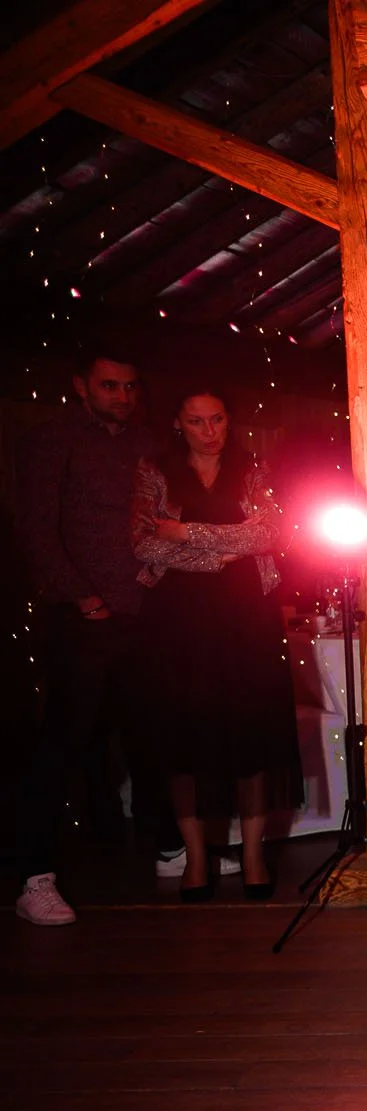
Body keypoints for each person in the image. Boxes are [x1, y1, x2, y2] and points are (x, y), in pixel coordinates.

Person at [14, 346, 181, 926]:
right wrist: (81, 596)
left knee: (147, 734)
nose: (123, 396)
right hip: (83, 615)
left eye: (131, 387)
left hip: (143, 612)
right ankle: (33, 878)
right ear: (82, 385)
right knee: (62, 742)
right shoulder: (52, 439)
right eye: (110, 386)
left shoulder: (147, 442)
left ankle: (168, 848)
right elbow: (36, 527)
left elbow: (160, 516)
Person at [129, 391, 299, 903]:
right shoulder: (153, 470)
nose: (210, 430)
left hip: (247, 613)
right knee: (183, 735)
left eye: (218, 418)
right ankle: (196, 857)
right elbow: (142, 542)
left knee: (251, 730)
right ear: (178, 424)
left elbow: (270, 532)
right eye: (197, 421)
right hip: (177, 619)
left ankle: (251, 855)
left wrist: (185, 531)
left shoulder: (251, 468)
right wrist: (219, 554)